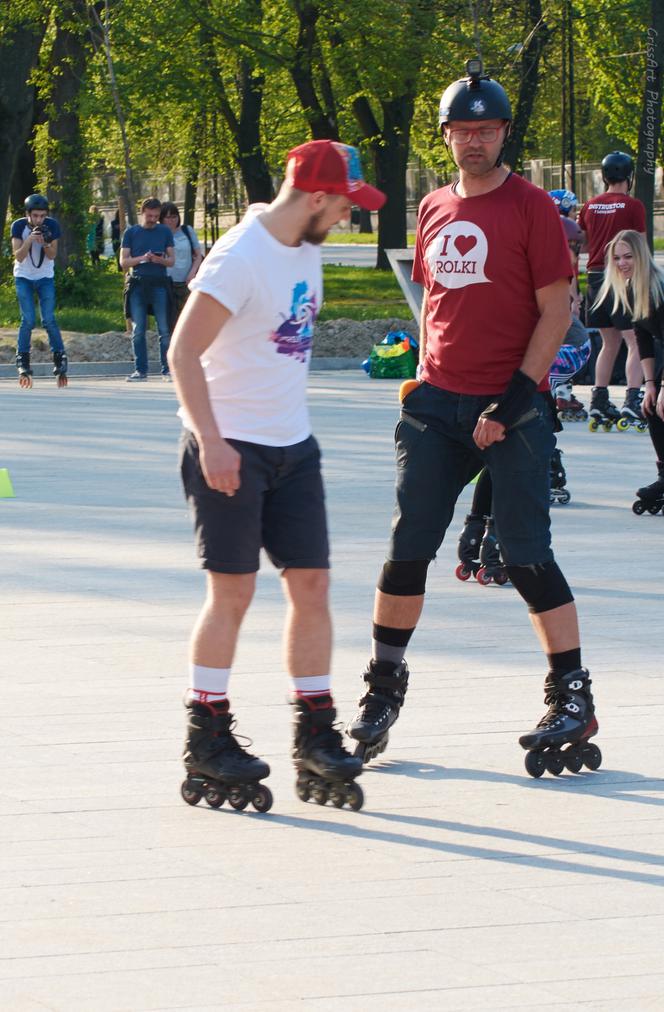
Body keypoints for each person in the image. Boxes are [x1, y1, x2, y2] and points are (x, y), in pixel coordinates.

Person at [346, 60, 601, 780]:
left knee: (523, 554)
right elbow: (434, 304)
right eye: (463, 131)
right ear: (448, 136)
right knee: (407, 548)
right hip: (437, 404)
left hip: (511, 406)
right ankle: (381, 693)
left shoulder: (529, 209)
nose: (475, 142)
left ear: (503, 133)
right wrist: (423, 379)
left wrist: (516, 400)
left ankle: (571, 695)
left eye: (487, 130)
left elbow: (557, 309)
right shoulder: (432, 206)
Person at [169, 139, 386, 812]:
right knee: (233, 593)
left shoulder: (302, 240)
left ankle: (314, 733)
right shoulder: (241, 256)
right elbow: (182, 351)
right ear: (318, 197)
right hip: (231, 444)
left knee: (312, 584)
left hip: (295, 446)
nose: (352, 218)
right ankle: (206, 735)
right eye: (348, 205)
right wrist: (212, 443)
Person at [596, 230, 664, 510]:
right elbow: (643, 339)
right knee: (651, 407)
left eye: (628, 256)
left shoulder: (657, 287)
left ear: (641, 256)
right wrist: (650, 384)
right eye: (617, 258)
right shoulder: (630, 289)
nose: (622, 263)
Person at [579, 151, 646, 426]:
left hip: (595, 276)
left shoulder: (591, 205)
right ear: (628, 177)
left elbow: (584, 241)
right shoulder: (632, 206)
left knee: (609, 342)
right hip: (620, 276)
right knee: (636, 341)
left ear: (605, 176)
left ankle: (598, 400)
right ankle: (632, 399)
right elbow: (640, 244)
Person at [10, 193, 68, 389]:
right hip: (24, 277)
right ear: (28, 214)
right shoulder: (18, 226)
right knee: (27, 320)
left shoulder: (52, 226)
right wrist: (29, 241)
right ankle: (23, 359)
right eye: (35, 216)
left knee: (49, 319)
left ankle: (60, 358)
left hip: (45, 277)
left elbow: (52, 256)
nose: (39, 220)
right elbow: (18, 256)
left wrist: (44, 242)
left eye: (42, 216)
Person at [120, 197, 174, 381]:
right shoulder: (131, 232)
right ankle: (140, 370)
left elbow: (171, 260)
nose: (153, 219)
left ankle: (167, 369)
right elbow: (124, 262)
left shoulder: (164, 231)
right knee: (138, 329)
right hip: (138, 283)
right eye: (150, 215)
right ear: (142, 213)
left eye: (156, 216)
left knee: (164, 329)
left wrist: (159, 259)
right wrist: (143, 258)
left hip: (159, 282)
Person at [159, 202, 203, 325]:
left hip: (186, 282)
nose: (171, 220)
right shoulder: (159, 234)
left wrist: (192, 273)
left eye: (174, 216)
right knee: (169, 321)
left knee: (188, 319)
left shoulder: (187, 231)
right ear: (161, 219)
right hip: (167, 282)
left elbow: (198, 256)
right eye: (168, 217)